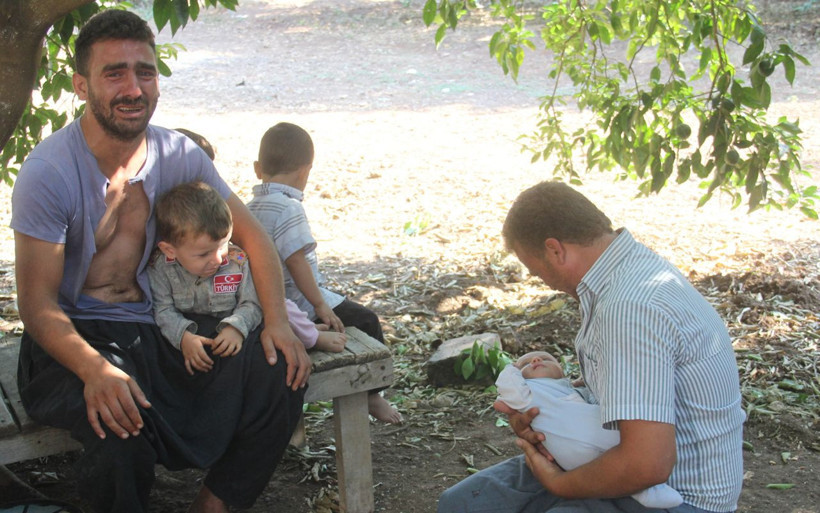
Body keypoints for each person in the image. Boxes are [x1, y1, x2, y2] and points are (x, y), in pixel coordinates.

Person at [11, 10, 311, 513]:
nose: (133, 87)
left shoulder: (178, 153)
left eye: (144, 72)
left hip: (155, 326)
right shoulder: (49, 172)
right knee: (118, 430)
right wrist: (95, 370)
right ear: (81, 85)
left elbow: (253, 237)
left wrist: (278, 322)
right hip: (74, 339)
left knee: (281, 368)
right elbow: (36, 304)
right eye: (115, 73)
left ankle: (212, 505)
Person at [438, 181, 745, 513]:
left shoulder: (628, 308)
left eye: (537, 271)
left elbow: (647, 465)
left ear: (555, 250)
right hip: (618, 460)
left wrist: (559, 484)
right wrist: (553, 414)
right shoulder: (622, 272)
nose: (543, 280)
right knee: (460, 505)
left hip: (675, 495)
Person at [246, 121, 403, 425]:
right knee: (366, 320)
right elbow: (297, 261)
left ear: (257, 168)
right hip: (298, 303)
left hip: (266, 305)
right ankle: (372, 394)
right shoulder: (288, 208)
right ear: (306, 171)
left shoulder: (250, 207)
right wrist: (319, 305)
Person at [148, 181, 347, 376]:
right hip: (197, 334)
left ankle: (312, 337)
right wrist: (183, 337)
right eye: (203, 254)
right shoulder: (161, 270)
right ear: (169, 250)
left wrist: (236, 327)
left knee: (282, 307)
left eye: (222, 245)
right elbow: (163, 309)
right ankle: (306, 330)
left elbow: (252, 303)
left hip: (243, 320)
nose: (218, 259)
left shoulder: (238, 261)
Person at [495, 351, 683, 510]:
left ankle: (643, 491)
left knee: (624, 446)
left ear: (562, 371)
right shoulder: (528, 391)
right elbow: (507, 385)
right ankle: (642, 488)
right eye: (526, 364)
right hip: (570, 448)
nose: (536, 361)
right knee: (620, 442)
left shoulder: (571, 389)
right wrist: (511, 368)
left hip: (591, 444)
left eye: (546, 358)